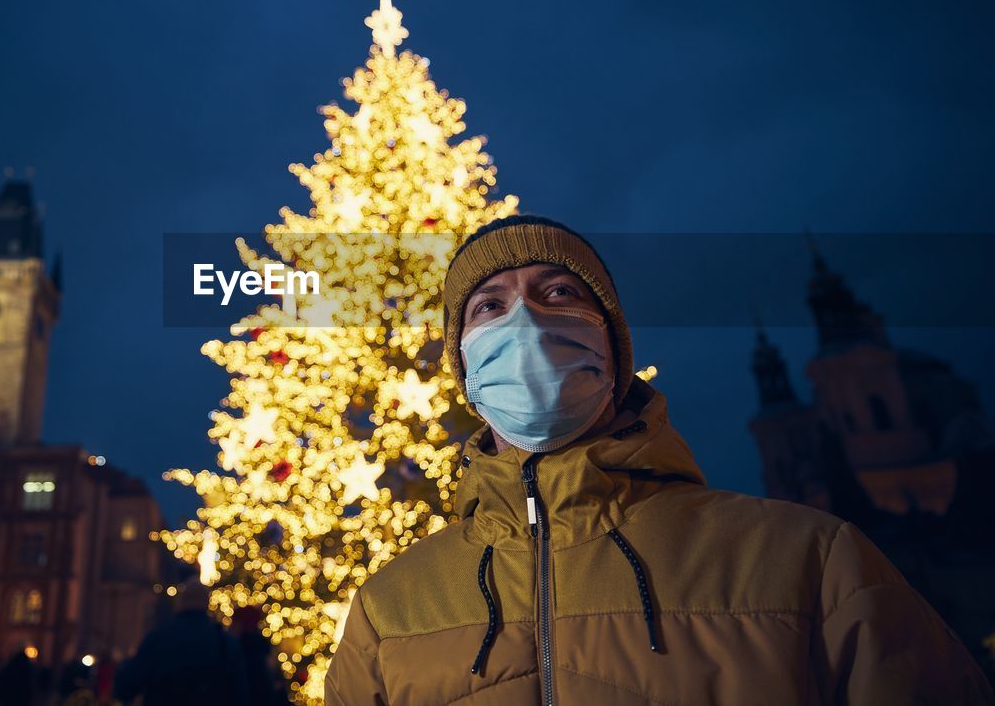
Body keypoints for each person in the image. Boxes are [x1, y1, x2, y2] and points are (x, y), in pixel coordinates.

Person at [326, 216, 994, 705]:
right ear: (463, 366)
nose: (524, 318)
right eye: (489, 305)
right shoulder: (387, 611)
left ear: (613, 348)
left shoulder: (812, 562)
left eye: (559, 293)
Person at [114, 577, 249, 706]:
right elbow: (240, 694)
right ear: (206, 603)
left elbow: (125, 687)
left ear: (181, 602)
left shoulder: (159, 638)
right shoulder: (224, 643)